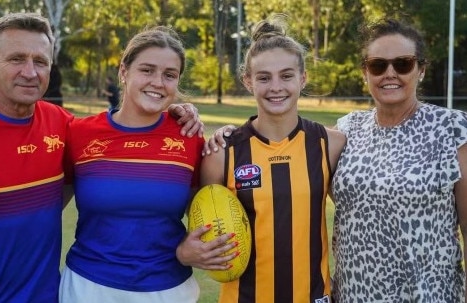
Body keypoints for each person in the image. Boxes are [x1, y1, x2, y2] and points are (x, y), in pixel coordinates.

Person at [0, 12, 204, 303]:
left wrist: (186, 114)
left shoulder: (63, 126)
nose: (30, 72)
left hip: (49, 296)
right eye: (16, 59)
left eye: (41, 62)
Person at [59, 26, 237, 303]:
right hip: (87, 287)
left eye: (169, 75)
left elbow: (207, 213)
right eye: (147, 70)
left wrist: (230, 135)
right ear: (123, 71)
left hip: (167, 290)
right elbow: (40, 209)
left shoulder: (189, 137)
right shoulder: (79, 132)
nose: (158, 82)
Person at [200, 15, 345, 303]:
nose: (275, 87)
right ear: (248, 81)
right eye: (264, 77)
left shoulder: (331, 143)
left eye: (287, 75)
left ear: (303, 78)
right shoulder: (222, 153)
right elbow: (201, 231)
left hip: (314, 297)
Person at [330, 18, 467, 302]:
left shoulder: (452, 130)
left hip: (429, 296)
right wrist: (233, 135)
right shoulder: (346, 130)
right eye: (378, 65)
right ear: (365, 73)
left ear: (421, 70)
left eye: (403, 64)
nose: (390, 73)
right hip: (354, 294)